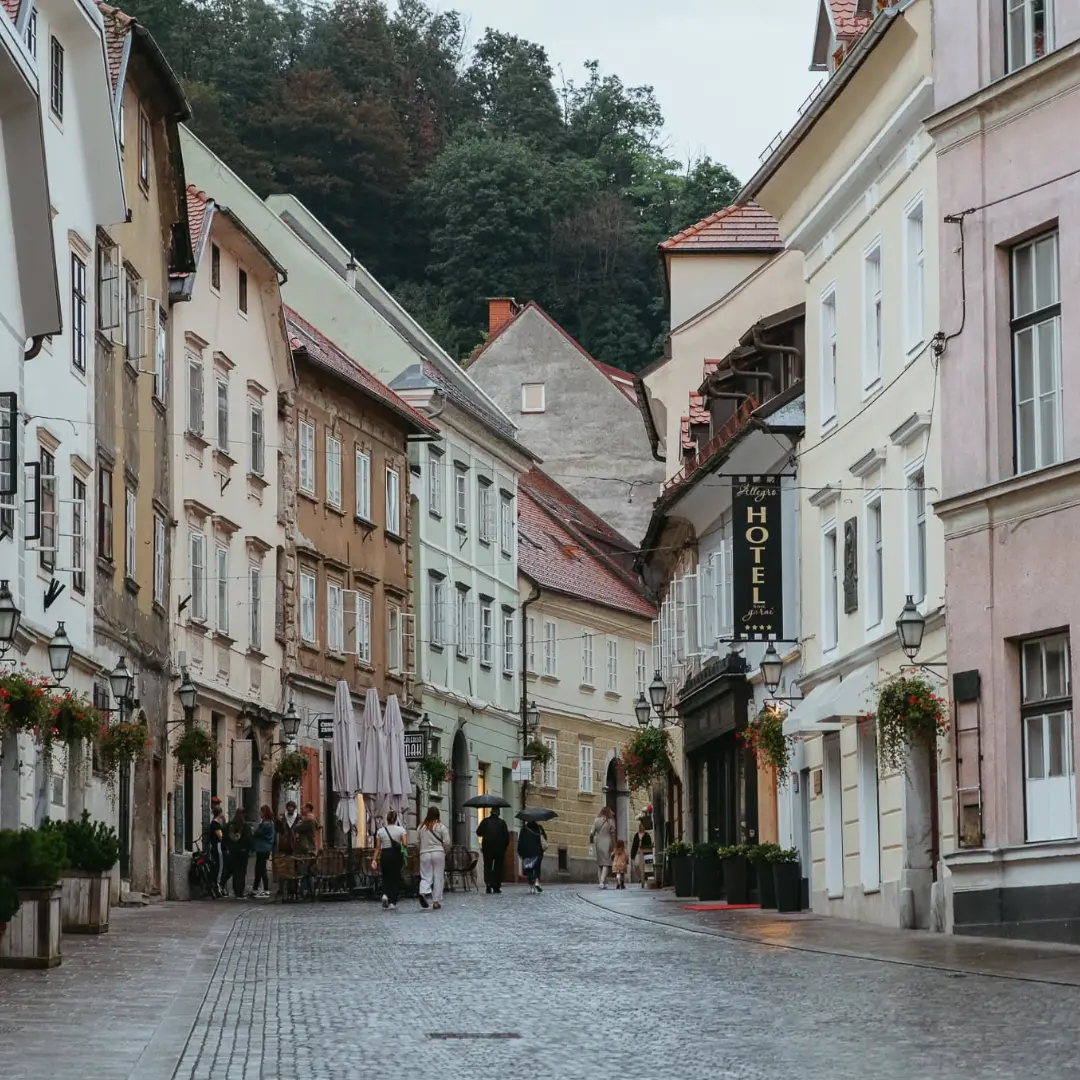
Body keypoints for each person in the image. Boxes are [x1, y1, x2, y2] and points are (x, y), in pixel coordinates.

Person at [371, 810, 407, 910]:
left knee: (385, 876)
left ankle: (384, 894)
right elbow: (404, 843)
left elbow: (378, 847)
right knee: (395, 877)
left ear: (387, 819)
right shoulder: (401, 830)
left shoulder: (380, 831)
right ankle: (392, 902)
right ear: (396, 819)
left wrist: (374, 859)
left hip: (385, 854)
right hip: (396, 855)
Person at [417, 806, 450, 910]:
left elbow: (417, 842)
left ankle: (423, 892)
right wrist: (446, 851)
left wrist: (421, 850)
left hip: (424, 853)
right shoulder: (441, 827)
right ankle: (436, 901)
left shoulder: (421, 827)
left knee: (425, 876)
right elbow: (447, 842)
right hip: (438, 853)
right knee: (438, 877)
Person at [476, 807, 510, 894]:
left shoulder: (485, 821)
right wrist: (504, 847)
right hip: (499, 848)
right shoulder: (502, 823)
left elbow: (478, 832)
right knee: (498, 867)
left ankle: (488, 884)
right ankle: (496, 886)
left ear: (491, 812)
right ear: (498, 813)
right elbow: (506, 837)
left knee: (487, 866)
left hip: (487, 847)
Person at [250, 805, 276, 898]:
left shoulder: (266, 824)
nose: (259, 813)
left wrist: (253, 830)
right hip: (263, 848)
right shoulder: (268, 823)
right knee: (259, 868)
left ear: (264, 813)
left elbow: (258, 833)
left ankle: (265, 889)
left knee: (261, 869)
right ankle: (255, 889)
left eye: (261, 812)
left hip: (263, 848)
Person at [589, 806, 617, 889]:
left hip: (598, 842)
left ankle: (602, 882)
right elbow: (613, 833)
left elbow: (591, 832)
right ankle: (602, 882)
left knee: (599, 863)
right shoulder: (610, 821)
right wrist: (614, 843)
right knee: (606, 863)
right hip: (607, 842)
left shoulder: (596, 820)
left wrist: (592, 839)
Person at [205, 797, 228, 896]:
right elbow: (220, 837)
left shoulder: (215, 823)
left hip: (215, 846)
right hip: (216, 847)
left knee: (218, 867)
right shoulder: (215, 824)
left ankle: (216, 886)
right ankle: (216, 887)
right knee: (218, 867)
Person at [227, 808, 252, 899]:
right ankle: (240, 891)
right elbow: (249, 839)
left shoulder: (231, 825)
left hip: (233, 851)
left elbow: (225, 837)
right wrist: (249, 849)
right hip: (243, 852)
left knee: (236, 871)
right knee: (241, 872)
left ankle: (235, 890)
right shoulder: (245, 826)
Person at [517, 819, 546, 893]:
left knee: (529, 870)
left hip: (527, 853)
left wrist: (520, 852)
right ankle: (536, 881)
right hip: (538, 853)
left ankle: (532, 887)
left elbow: (520, 841)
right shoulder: (539, 828)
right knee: (537, 869)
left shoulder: (524, 829)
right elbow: (544, 838)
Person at [630, 820, 653, 888]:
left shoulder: (647, 835)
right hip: (637, 852)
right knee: (636, 865)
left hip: (644, 852)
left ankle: (643, 879)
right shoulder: (636, 835)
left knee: (643, 866)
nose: (641, 827)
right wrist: (632, 854)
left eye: (642, 826)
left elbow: (649, 844)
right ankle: (640, 878)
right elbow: (634, 845)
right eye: (640, 826)